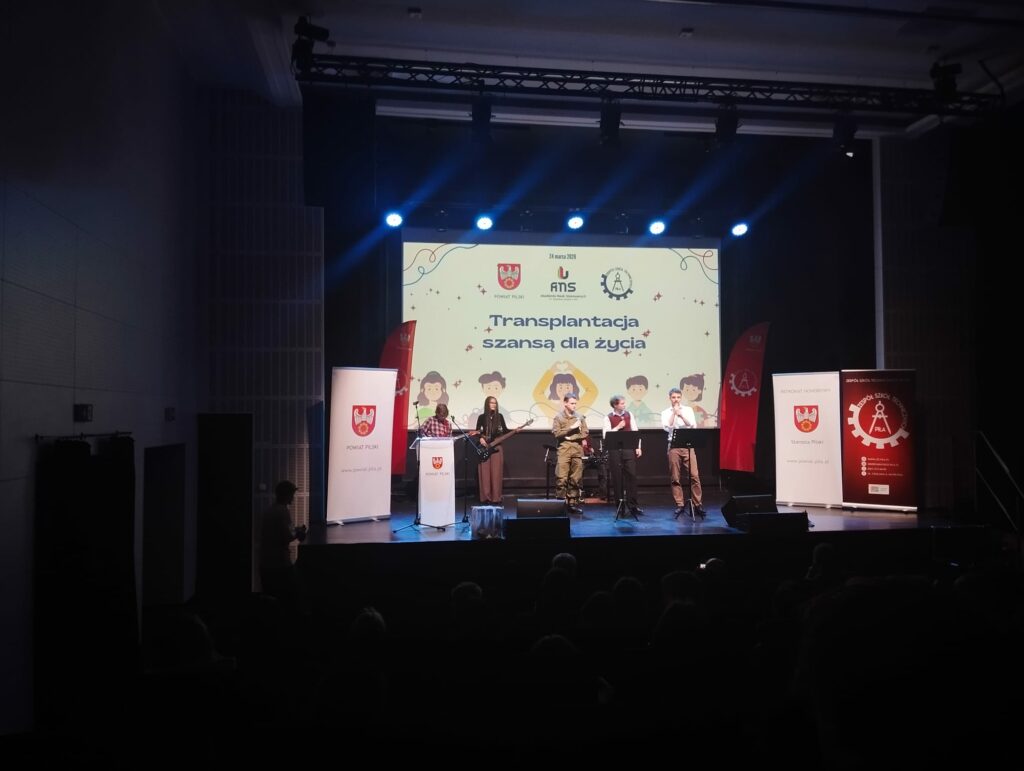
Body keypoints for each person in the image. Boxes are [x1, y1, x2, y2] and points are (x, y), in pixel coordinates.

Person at [259, 480, 307, 608]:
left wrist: (294, 530)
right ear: (286, 495)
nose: (293, 498)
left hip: (266, 564)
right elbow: (288, 536)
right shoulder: (282, 511)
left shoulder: (270, 510)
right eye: (292, 494)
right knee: (290, 598)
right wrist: (300, 532)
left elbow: (278, 533)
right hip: (280, 564)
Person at [661, 387, 704, 517]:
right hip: (673, 446)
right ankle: (679, 504)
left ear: (681, 398)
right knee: (675, 477)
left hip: (688, 445)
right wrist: (674, 414)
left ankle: (697, 504)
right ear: (670, 398)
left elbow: (692, 425)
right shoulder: (665, 412)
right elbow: (667, 427)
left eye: (678, 397)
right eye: (673, 397)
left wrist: (681, 414)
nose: (676, 400)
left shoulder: (688, 410)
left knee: (694, 475)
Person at [602, 395, 643, 515]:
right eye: (622, 403)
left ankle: (633, 506)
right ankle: (619, 506)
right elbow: (606, 435)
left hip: (628, 449)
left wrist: (638, 447)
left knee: (631, 476)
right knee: (617, 478)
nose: (624, 405)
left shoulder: (629, 415)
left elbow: (635, 431)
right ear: (615, 405)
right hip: (615, 451)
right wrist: (618, 427)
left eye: (624, 403)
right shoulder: (608, 417)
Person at [552, 392, 588, 514]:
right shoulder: (558, 417)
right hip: (564, 450)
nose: (574, 406)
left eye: (575, 403)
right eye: (572, 403)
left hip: (577, 450)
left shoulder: (580, 417)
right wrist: (571, 428)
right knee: (561, 478)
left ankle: (572, 503)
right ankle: (560, 503)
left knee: (575, 478)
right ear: (565, 403)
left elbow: (585, 432)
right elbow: (557, 433)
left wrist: (572, 437)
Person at [474, 395, 509, 504]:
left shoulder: (500, 417)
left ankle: (496, 498)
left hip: (496, 448)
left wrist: (516, 430)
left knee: (496, 473)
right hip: (484, 448)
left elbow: (505, 430)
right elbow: (477, 431)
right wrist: (480, 438)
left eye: (495, 403)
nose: (494, 405)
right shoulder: (481, 417)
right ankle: (486, 498)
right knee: (484, 473)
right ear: (487, 404)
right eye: (491, 403)